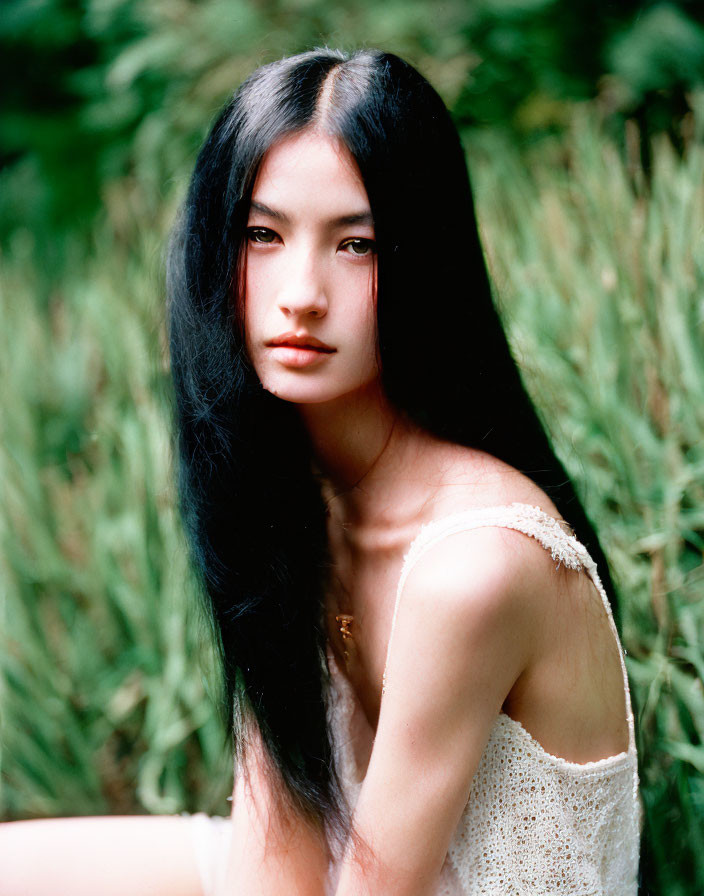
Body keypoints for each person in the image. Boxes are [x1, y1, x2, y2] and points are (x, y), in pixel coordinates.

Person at [0, 47, 641, 896]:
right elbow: (284, 848)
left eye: (357, 244)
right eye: (263, 235)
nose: (301, 292)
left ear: (423, 262)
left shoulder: (475, 568)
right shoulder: (297, 491)